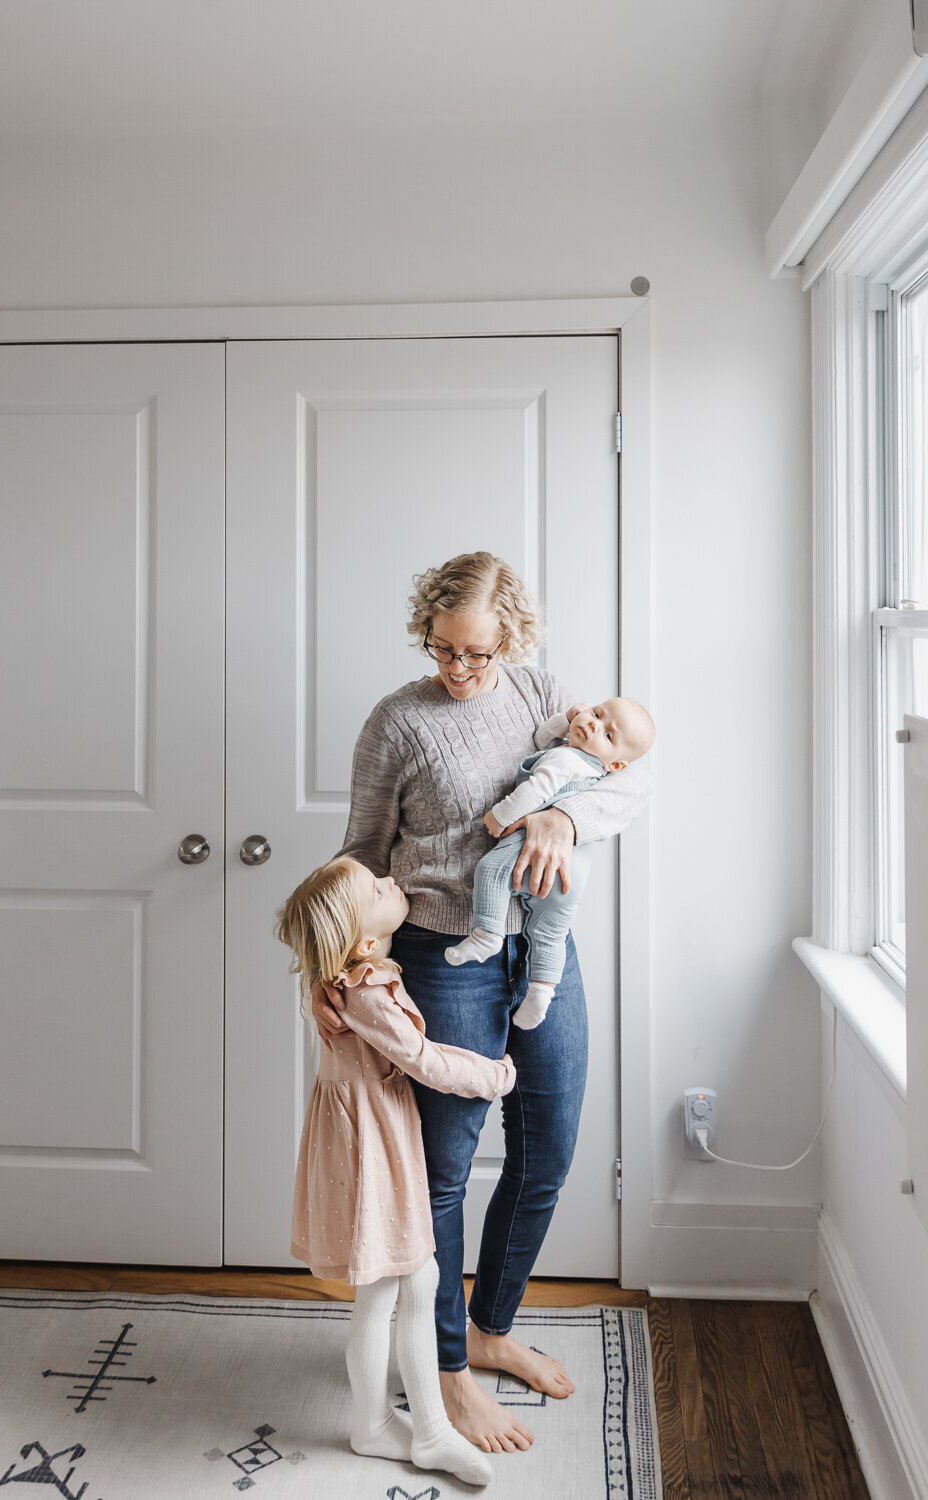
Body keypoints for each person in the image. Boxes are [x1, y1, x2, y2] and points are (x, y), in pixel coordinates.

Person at [312, 551, 652, 1455]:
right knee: (447, 1168)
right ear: (427, 631)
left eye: (477, 654)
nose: (459, 672)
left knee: (550, 1145)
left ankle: (494, 1324)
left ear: (512, 639)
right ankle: (448, 1373)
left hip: (538, 948)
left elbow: (622, 780)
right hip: (438, 954)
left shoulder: (543, 692)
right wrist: (336, 969)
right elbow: (361, 852)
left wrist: (565, 819)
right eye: (442, 650)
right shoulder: (397, 723)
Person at [277, 855, 517, 1488]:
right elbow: (425, 1060)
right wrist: (496, 1074)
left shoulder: (346, 979)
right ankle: (419, 1431)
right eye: (378, 889)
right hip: (372, 1148)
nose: (393, 883)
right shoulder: (369, 992)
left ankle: (379, 1422)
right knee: (402, 1283)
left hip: (367, 1139)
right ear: (362, 939)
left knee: (391, 1290)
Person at [445, 696, 655, 1029]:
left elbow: (534, 791)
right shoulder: (590, 765)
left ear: (617, 765)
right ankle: (541, 994)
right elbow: (544, 736)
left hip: (529, 852)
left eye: (608, 734)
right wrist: (566, 720)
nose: (593, 724)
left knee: (490, 871)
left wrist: (500, 818)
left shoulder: (566, 760)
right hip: (572, 872)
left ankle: (486, 934)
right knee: (549, 934)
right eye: (597, 713)